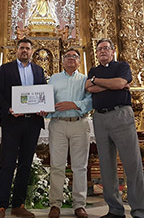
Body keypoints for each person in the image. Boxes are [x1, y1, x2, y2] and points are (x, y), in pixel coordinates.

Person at [85, 39, 144, 218]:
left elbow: (121, 83)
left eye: (106, 48)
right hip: (100, 117)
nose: (103, 51)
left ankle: (139, 211)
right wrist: (111, 84)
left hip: (121, 115)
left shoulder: (122, 66)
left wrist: (100, 83)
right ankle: (114, 209)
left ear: (113, 51)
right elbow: (89, 88)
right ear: (96, 54)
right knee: (106, 166)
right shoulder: (93, 71)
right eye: (99, 49)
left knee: (132, 164)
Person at [0, 38, 47, 218]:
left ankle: (18, 205)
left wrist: (44, 108)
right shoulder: (6, 69)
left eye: (28, 48)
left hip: (32, 124)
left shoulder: (39, 71)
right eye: (22, 48)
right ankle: (1, 206)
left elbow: (43, 94)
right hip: (12, 122)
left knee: (25, 164)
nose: (25, 51)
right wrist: (8, 108)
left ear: (32, 51)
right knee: (7, 163)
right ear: (17, 50)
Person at [47, 49, 92, 218]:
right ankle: (55, 204)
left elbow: (91, 100)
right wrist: (45, 110)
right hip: (58, 124)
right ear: (62, 61)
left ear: (79, 61)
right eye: (68, 56)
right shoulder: (54, 78)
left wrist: (74, 104)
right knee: (57, 166)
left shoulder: (86, 79)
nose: (71, 59)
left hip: (79, 124)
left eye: (74, 56)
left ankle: (79, 204)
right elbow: (48, 100)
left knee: (80, 166)